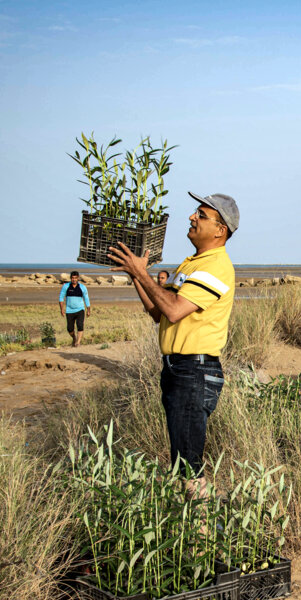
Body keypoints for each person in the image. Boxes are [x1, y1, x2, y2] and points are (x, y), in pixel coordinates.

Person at [108, 193, 238, 480]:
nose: (193, 217)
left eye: (202, 215)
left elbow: (175, 310)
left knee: (189, 465)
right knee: (182, 459)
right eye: (196, 212)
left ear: (220, 230)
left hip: (195, 370)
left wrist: (141, 274)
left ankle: (201, 523)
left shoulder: (215, 266)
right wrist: (136, 275)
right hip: (179, 369)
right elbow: (159, 312)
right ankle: (194, 520)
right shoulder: (191, 264)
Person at [58, 270, 91, 347]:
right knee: (70, 329)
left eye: (75, 278)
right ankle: (74, 338)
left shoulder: (82, 287)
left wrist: (88, 310)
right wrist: (62, 309)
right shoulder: (66, 286)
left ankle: (78, 343)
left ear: (78, 278)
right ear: (70, 278)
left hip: (80, 310)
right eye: (72, 278)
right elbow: (61, 298)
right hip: (69, 310)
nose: (74, 279)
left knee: (80, 325)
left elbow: (86, 298)